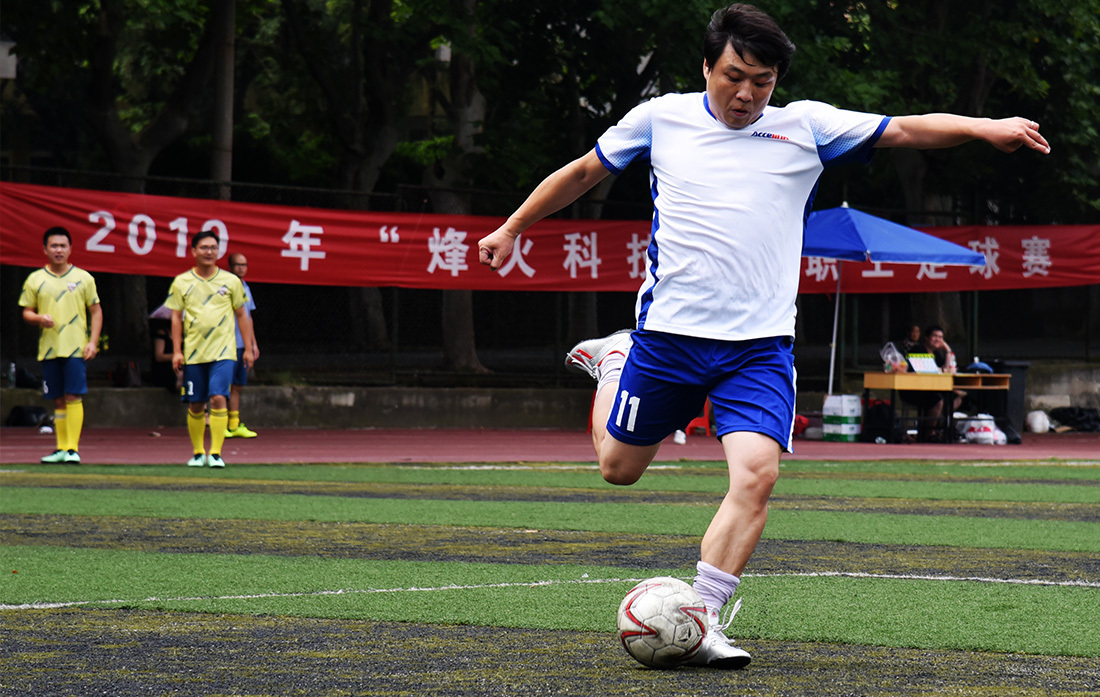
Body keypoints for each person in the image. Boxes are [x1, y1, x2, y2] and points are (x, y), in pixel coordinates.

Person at [476, 3, 1049, 669]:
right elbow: (583, 171)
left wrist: (985, 127)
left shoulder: (806, 127)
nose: (746, 94)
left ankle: (703, 616)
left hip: (759, 349)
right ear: (706, 67)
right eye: (734, 76)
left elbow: (906, 129)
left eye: (762, 81)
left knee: (758, 474)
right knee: (618, 469)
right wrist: (512, 227)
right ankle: (614, 361)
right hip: (668, 339)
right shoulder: (660, 118)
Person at [165, 231, 255, 468]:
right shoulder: (181, 282)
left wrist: (248, 348)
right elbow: (175, 318)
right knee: (196, 404)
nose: (209, 252)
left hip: (224, 352)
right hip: (194, 353)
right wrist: (177, 351)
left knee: (218, 398)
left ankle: (215, 453)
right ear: (194, 251)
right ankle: (198, 452)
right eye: (204, 248)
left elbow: (242, 315)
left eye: (213, 248)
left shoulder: (231, 281)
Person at [18, 227, 103, 464]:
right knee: (56, 398)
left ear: (70, 249)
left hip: (75, 348)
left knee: (73, 395)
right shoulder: (35, 279)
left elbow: (96, 311)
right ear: (45, 249)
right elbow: (26, 312)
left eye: (63, 246)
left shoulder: (84, 278)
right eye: (54, 246)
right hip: (49, 348)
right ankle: (61, 448)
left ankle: (73, 449)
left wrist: (93, 342)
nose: (58, 250)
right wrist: (39, 318)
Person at [224, 252, 259, 439]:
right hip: (226, 344)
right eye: (238, 265)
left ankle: (234, 425)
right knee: (222, 386)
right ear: (230, 267)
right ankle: (219, 423)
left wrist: (252, 344)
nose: (241, 268)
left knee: (237, 386)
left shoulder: (245, 287)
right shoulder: (224, 287)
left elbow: (248, 317)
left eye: (244, 265)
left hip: (241, 345)